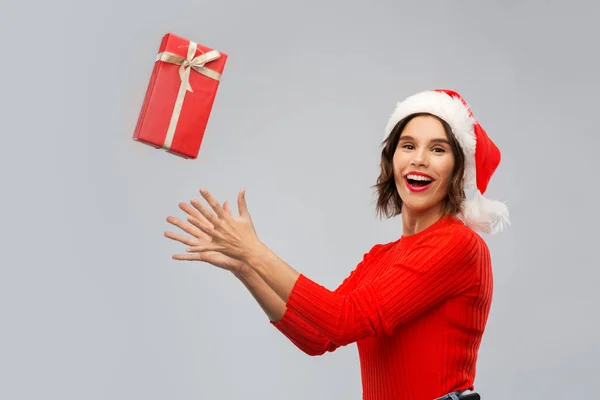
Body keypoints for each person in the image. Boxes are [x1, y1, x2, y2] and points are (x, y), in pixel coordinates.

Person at [164, 89, 510, 400]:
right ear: (391, 161)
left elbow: (344, 320)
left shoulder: (459, 245)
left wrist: (254, 251)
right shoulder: (381, 258)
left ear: (458, 171)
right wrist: (245, 267)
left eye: (438, 149)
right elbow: (319, 336)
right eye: (408, 145)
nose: (419, 158)